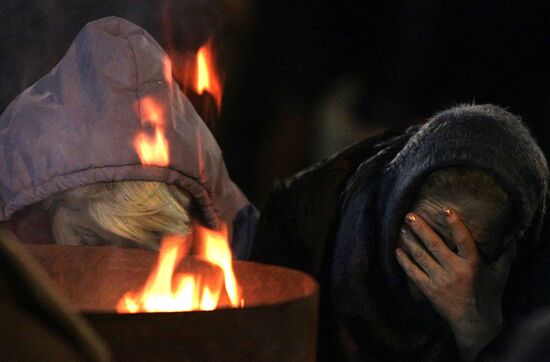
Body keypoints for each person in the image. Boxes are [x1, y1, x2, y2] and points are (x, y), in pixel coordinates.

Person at [251, 104, 549, 361]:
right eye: (422, 236)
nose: (446, 277)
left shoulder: (533, 286)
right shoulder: (308, 221)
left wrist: (480, 336)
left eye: (469, 249)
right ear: (393, 206)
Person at [0, 17, 258, 257]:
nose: (127, 292)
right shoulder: (21, 252)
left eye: (146, 252)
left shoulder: (247, 255)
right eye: (93, 245)